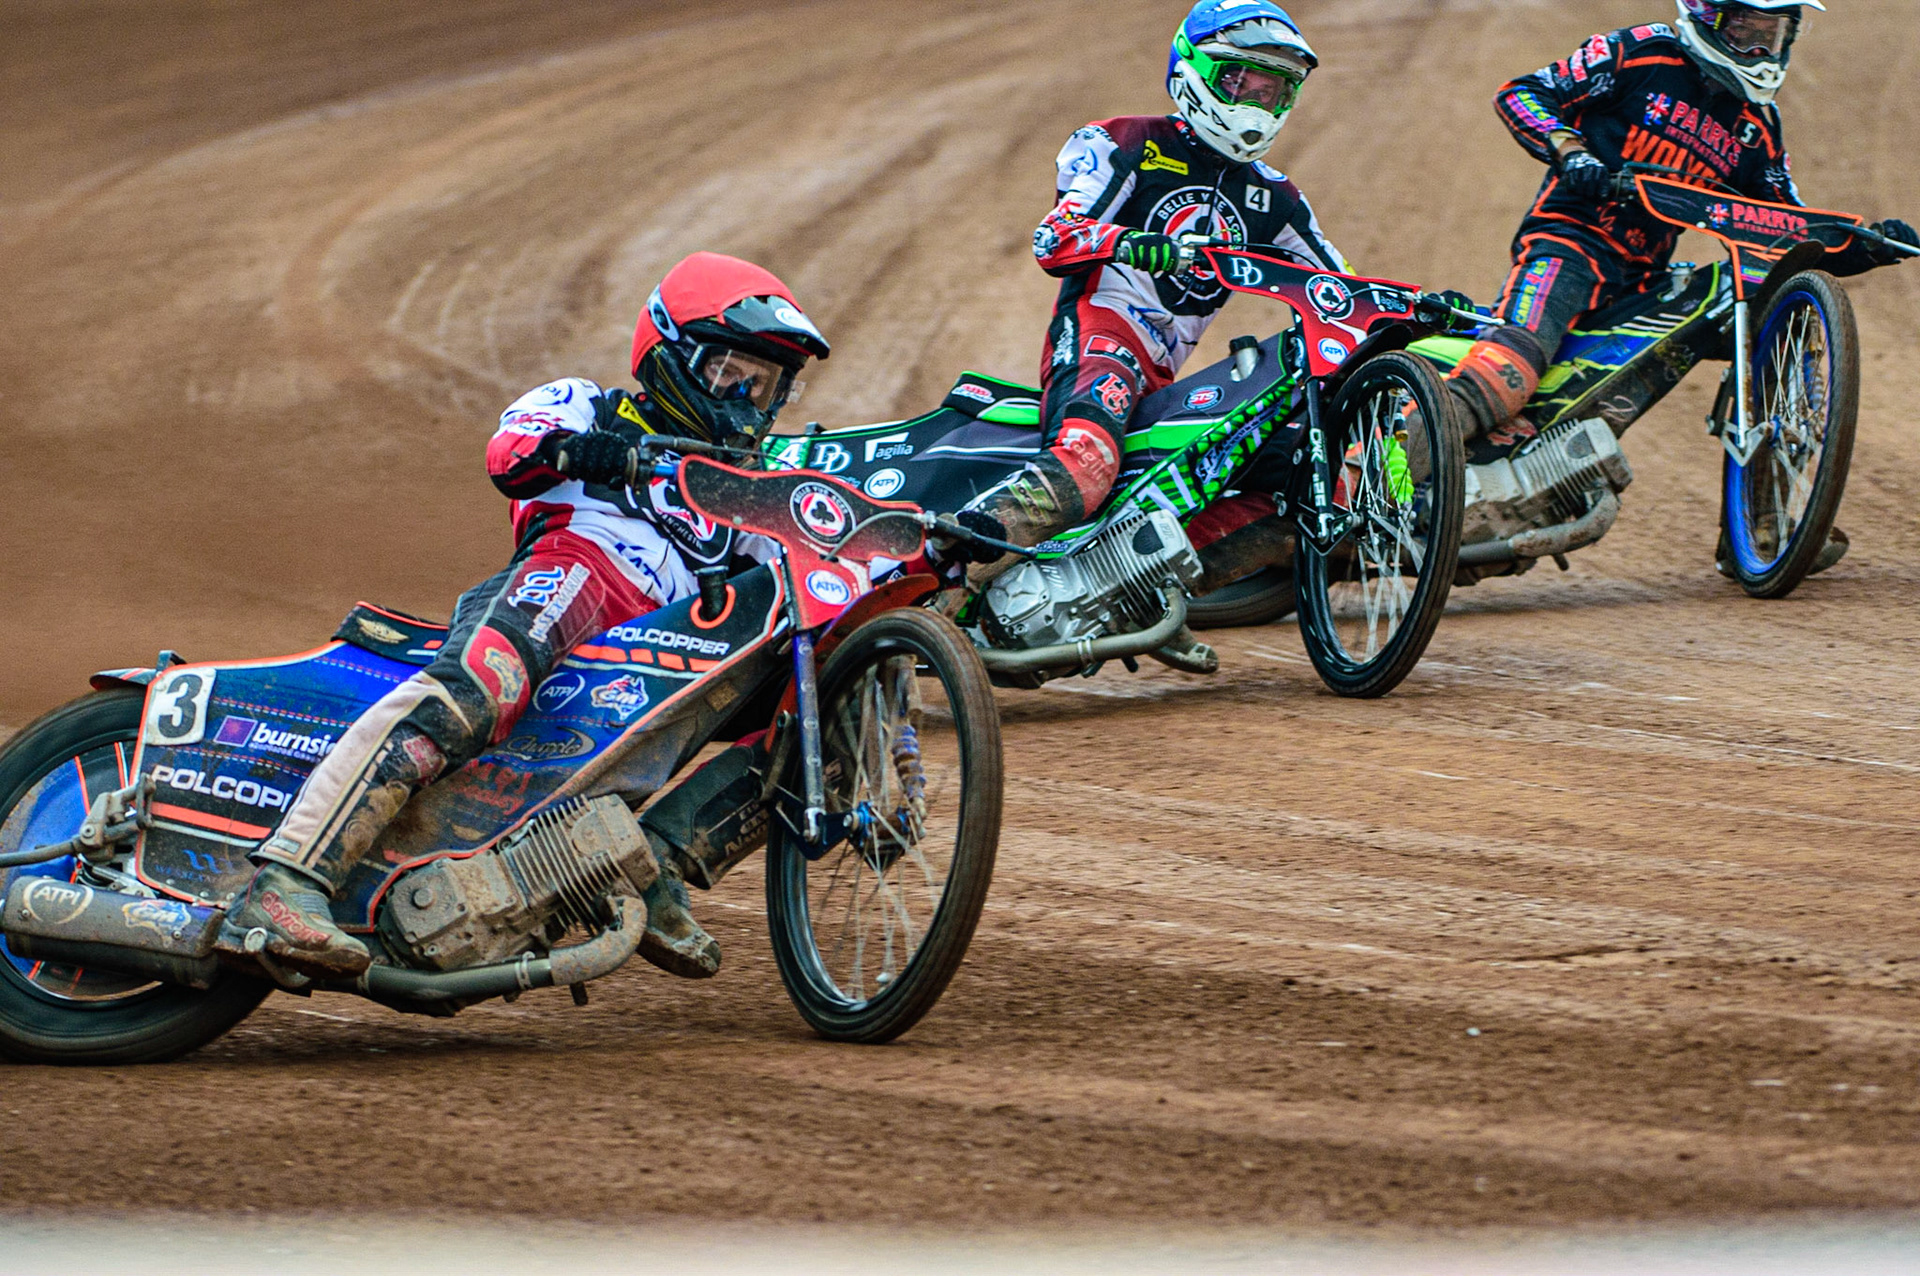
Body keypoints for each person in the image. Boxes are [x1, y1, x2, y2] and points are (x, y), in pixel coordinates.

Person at [217, 253, 831, 980]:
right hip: (572, 576)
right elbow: (508, 454)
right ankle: (287, 879)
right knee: (480, 686)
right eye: (730, 373)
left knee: (812, 708)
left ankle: (655, 862)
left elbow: (804, 578)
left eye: (765, 385)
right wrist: (587, 452)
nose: (746, 400)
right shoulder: (591, 405)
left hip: (659, 650)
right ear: (670, 354)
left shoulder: (742, 490)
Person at [1450, 1, 1916, 569]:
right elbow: (1522, 93)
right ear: (1706, 15)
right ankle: (1372, 473)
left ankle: (1759, 526)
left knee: (1774, 307)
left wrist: (1864, 245)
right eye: (1746, 30)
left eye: (1774, 34)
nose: (1761, 50)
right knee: (1510, 370)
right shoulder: (1640, 53)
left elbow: (1785, 226)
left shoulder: (1755, 128)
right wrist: (1572, 154)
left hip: (1644, 277)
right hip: (1569, 244)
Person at [968, 0, 1348, 672]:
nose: (1256, 103)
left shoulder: (1275, 197)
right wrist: (1133, 244)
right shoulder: (1124, 141)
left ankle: (1143, 589)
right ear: (1192, 71)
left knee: (1320, 487)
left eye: (1274, 90)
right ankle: (939, 567)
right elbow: (1054, 238)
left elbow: (1338, 289)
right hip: (1101, 336)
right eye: (1240, 81)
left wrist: (1418, 311)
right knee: (1087, 462)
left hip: (1168, 380)